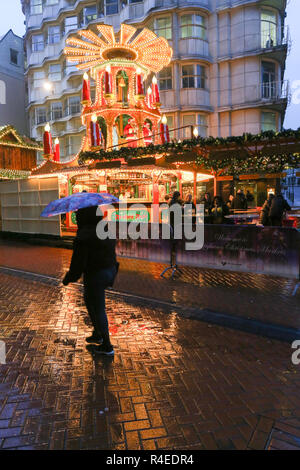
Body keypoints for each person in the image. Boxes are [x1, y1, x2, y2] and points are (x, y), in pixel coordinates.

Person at [63, 205, 118, 356]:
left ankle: (107, 346)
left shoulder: (84, 236)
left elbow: (77, 264)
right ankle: (98, 332)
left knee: (98, 307)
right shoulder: (105, 229)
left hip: (96, 274)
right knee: (88, 299)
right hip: (110, 269)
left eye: (79, 214)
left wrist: (68, 278)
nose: (77, 217)